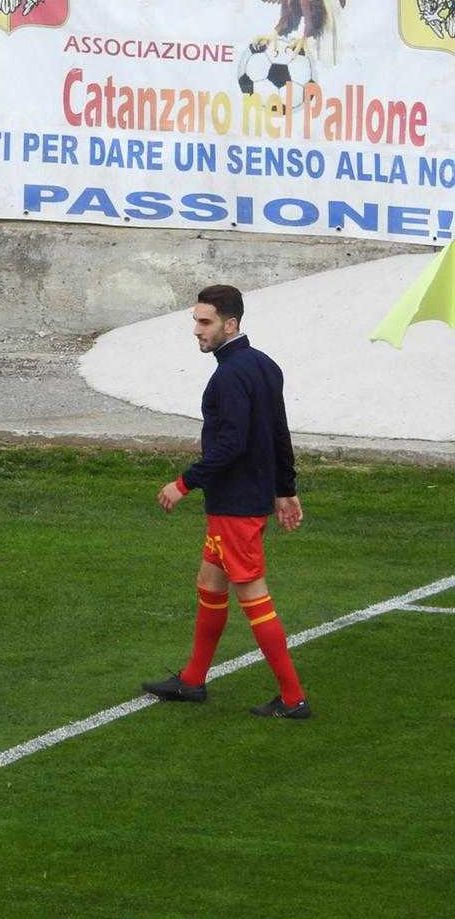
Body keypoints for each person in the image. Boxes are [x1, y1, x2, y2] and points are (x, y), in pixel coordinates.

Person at [144, 285, 309, 718]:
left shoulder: (230, 376)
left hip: (236, 505)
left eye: (205, 323)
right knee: (210, 583)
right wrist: (285, 488)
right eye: (196, 322)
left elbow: (232, 444)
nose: (197, 331)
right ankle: (194, 680)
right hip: (241, 500)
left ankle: (293, 698)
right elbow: (278, 432)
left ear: (229, 324)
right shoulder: (264, 366)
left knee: (253, 593)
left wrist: (183, 483)